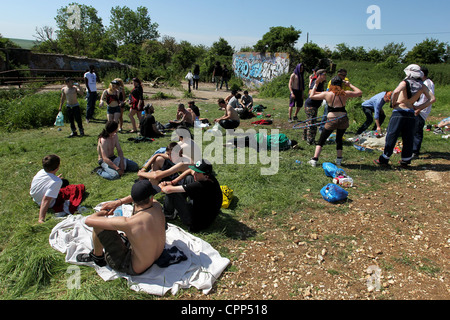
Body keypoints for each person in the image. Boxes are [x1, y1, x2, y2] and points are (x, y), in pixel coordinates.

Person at [76, 180, 166, 276]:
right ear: (151, 197)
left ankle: (97, 257)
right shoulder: (157, 206)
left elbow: (89, 221)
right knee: (138, 208)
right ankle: (125, 237)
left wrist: (103, 213)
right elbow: (139, 198)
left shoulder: (128, 223)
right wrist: (118, 202)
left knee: (99, 225)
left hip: (131, 266)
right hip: (156, 256)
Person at [374, 64, 435, 167]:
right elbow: (432, 99)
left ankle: (385, 158)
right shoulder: (421, 85)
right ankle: (406, 160)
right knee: (408, 137)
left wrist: (393, 103)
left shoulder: (405, 82)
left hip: (400, 111)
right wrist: (419, 107)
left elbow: (396, 91)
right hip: (411, 113)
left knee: (392, 135)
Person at [307, 76, 362, 167]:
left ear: (331, 84)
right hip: (343, 119)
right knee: (339, 139)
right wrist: (350, 85)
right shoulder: (345, 93)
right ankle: (339, 160)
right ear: (341, 84)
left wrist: (315, 84)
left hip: (332, 119)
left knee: (322, 139)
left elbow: (311, 96)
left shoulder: (327, 94)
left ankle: (314, 160)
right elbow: (359, 92)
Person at [159, 159, 223, 232]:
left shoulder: (201, 185)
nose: (195, 173)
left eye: (198, 172)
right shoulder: (209, 178)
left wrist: (161, 186)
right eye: (195, 171)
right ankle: (176, 207)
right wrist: (173, 182)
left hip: (196, 221)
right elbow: (190, 170)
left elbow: (168, 190)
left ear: (206, 176)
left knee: (173, 193)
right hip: (204, 209)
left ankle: (168, 214)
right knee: (189, 178)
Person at [30, 154, 85, 224]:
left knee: (64, 182)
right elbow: (46, 199)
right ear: (57, 167)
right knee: (77, 188)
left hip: (35, 198)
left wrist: (56, 179)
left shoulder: (41, 172)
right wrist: (41, 218)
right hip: (45, 202)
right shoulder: (56, 182)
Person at [412, 66, 435, 157]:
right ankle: (413, 149)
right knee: (414, 129)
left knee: (417, 130)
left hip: (421, 111)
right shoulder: (423, 82)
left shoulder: (427, 83)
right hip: (418, 108)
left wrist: (419, 109)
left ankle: (415, 151)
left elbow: (428, 98)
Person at [303, 69, 327, 145]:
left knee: (309, 121)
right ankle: (310, 140)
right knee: (312, 123)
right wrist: (323, 93)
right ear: (319, 75)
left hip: (313, 105)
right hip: (311, 105)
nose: (325, 76)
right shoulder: (316, 82)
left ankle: (305, 137)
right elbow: (310, 92)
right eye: (324, 74)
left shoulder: (320, 83)